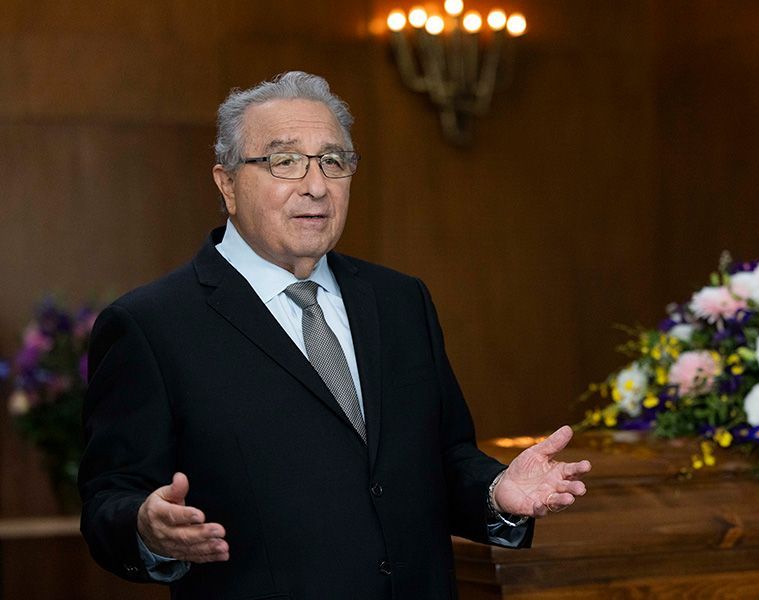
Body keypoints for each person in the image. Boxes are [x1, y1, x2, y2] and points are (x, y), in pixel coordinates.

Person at [78, 71, 591, 599]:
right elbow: (107, 501)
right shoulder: (152, 324)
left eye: (333, 161)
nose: (316, 184)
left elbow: (440, 457)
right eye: (285, 161)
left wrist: (495, 489)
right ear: (226, 183)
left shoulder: (399, 301)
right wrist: (146, 529)